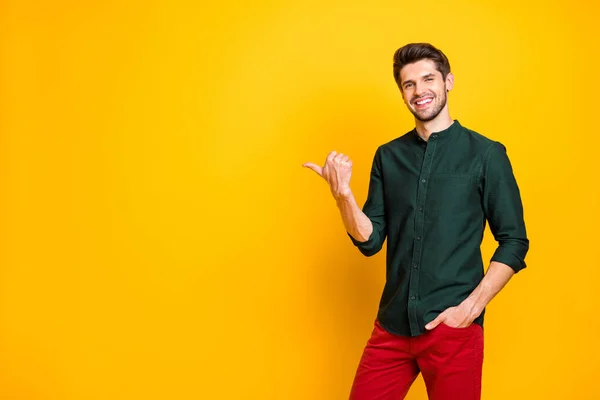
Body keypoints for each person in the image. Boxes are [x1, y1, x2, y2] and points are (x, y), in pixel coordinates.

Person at [302, 43, 529, 400]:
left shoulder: (486, 154)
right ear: (402, 93)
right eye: (409, 84)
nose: (419, 91)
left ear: (448, 81)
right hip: (392, 328)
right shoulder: (388, 156)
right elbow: (370, 240)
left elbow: (514, 241)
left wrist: (471, 308)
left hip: (453, 329)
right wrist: (343, 196)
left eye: (428, 79)